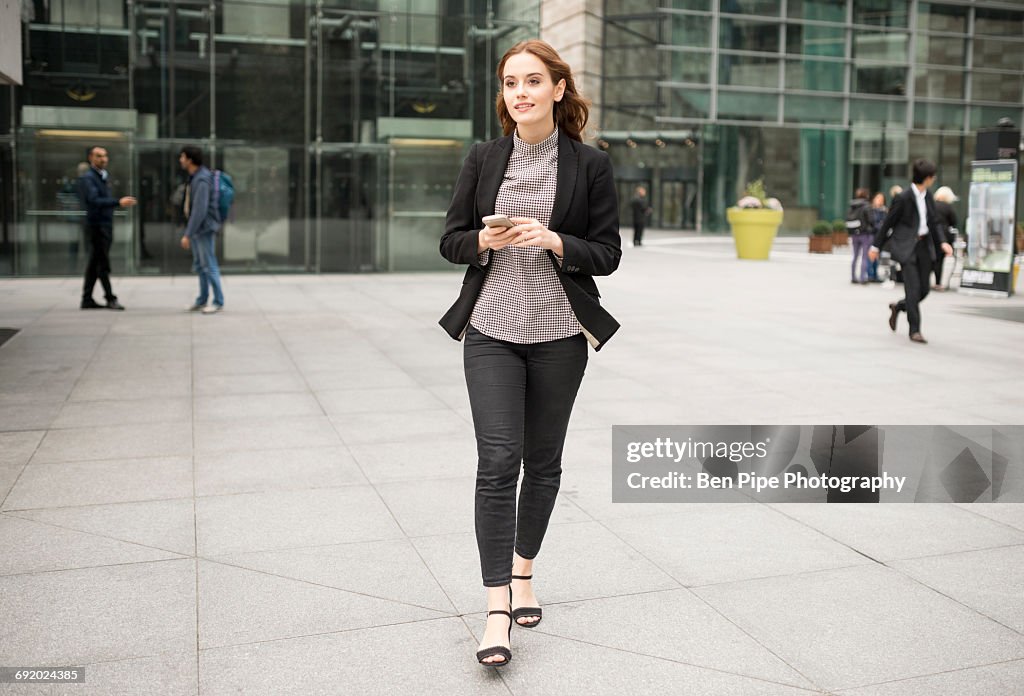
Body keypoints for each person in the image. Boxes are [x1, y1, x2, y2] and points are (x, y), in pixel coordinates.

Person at [438, 39, 621, 667]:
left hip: (558, 336)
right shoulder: (484, 158)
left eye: (533, 81)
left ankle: (523, 572)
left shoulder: (590, 165)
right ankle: (495, 611)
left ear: (558, 89)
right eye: (511, 83)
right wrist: (483, 242)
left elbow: (609, 255)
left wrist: (555, 239)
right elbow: (450, 240)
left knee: (542, 462)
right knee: (499, 460)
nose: (520, 93)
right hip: (490, 328)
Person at [869, 159, 952, 344]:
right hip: (907, 248)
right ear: (927, 178)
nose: (934, 179)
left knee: (924, 290)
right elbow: (888, 223)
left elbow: (934, 222)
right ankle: (915, 330)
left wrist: (943, 243)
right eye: (933, 176)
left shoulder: (929, 197)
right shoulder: (903, 197)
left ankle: (898, 307)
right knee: (913, 289)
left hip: (924, 246)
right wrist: (876, 246)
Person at [79, 146, 136, 310]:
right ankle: (110, 297)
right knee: (102, 263)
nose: (103, 159)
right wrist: (118, 202)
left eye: (105, 156)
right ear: (91, 157)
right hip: (97, 226)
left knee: (94, 262)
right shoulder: (89, 178)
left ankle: (87, 298)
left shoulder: (102, 176)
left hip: (103, 224)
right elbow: (94, 200)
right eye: (99, 156)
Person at [178, 146, 225, 313]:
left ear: (190, 159)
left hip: (204, 229)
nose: (180, 160)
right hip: (199, 229)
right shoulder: (196, 177)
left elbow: (200, 209)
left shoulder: (202, 179)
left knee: (209, 264)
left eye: (182, 157)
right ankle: (202, 299)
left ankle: (218, 301)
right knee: (200, 265)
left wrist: (188, 234)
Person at [932, 185, 959, 291]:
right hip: (943, 236)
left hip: (930, 235)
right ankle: (938, 282)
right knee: (939, 260)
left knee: (930, 258)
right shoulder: (947, 207)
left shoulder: (931, 205)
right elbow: (954, 221)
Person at [846, 187, 873, 284]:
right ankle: (862, 278)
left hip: (854, 234)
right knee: (864, 256)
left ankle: (853, 277)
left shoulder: (852, 205)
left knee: (855, 256)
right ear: (866, 195)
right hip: (865, 233)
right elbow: (871, 220)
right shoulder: (867, 206)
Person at [867, 191, 887, 282]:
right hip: (871, 235)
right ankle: (870, 274)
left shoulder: (884, 211)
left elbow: (885, 223)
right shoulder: (870, 209)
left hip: (880, 236)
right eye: (878, 198)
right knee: (871, 255)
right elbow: (872, 222)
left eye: (882, 199)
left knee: (878, 256)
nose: (880, 201)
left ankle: (875, 274)